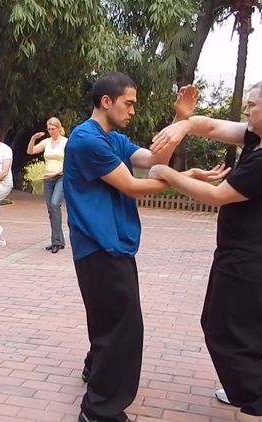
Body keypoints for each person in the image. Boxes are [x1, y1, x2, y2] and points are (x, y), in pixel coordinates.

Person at [62, 72, 229, 422]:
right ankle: (98, 410)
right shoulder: (85, 140)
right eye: (129, 103)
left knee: (111, 320)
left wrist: (181, 119)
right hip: (98, 245)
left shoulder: (111, 139)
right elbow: (133, 186)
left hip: (113, 245)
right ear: (106, 101)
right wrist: (182, 180)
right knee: (124, 327)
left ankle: (95, 371)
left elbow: (153, 160)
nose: (133, 110)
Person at [148, 81, 262, 420]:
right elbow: (209, 125)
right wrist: (183, 120)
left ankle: (254, 396)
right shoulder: (255, 137)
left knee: (223, 331)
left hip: (247, 260)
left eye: (252, 105)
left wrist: (167, 172)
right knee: (243, 328)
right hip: (237, 253)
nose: (246, 110)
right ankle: (245, 384)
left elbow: (216, 195)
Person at [27, 117, 67, 253]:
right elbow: (30, 151)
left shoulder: (66, 143)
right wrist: (33, 138)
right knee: (51, 209)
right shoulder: (46, 142)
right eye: (49, 129)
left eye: (53, 129)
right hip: (48, 178)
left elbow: (70, 164)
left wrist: (55, 173)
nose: (51, 131)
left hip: (61, 177)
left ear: (59, 128)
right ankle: (59, 240)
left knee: (55, 204)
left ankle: (56, 241)